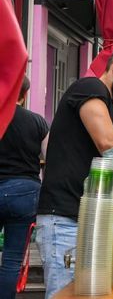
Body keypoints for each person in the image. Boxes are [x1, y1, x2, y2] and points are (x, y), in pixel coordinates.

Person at [37, 44, 113, 298]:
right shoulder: (90, 88)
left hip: (84, 218)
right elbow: (109, 145)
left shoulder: (110, 108)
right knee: (65, 293)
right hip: (65, 216)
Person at [0, 77, 49, 298]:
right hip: (25, 191)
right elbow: (49, 157)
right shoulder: (37, 121)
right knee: (12, 259)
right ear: (25, 94)